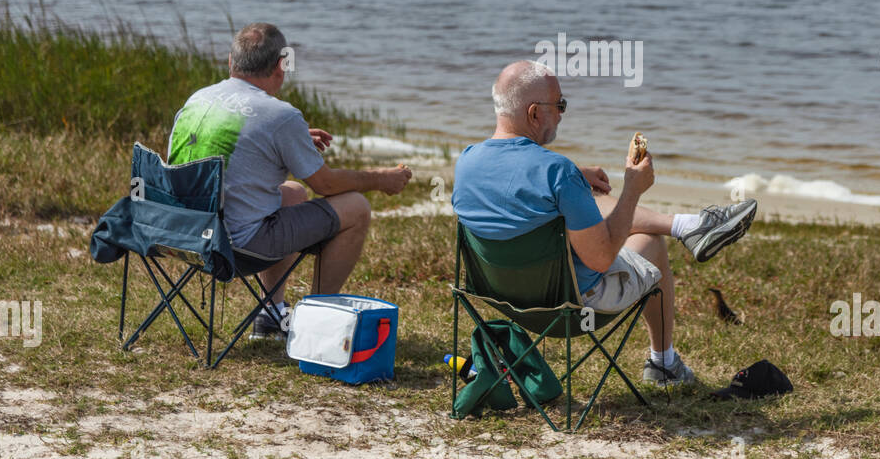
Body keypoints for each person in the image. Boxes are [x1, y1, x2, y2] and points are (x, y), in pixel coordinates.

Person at [451, 60, 757, 386]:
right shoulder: (556, 172)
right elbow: (602, 258)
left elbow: (514, 183)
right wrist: (632, 190)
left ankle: (689, 225)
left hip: (506, 301)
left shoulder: (467, 162)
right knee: (651, 242)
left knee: (585, 199)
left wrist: (576, 179)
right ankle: (663, 363)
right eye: (560, 105)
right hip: (570, 312)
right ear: (534, 113)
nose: (562, 113)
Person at [168, 22, 412, 339]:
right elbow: (325, 185)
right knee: (356, 208)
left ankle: (272, 314)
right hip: (235, 246)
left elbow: (234, 147)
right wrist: (381, 179)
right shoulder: (280, 115)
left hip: (182, 233)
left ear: (231, 62)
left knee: (294, 193)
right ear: (281, 67)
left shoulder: (198, 99)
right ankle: (317, 325)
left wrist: (290, 141)